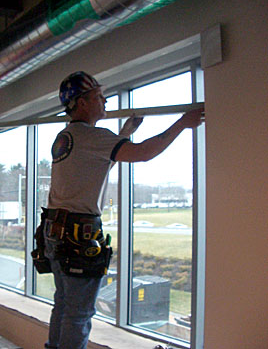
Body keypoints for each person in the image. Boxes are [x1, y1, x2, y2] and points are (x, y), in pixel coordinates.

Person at [42, 71, 204, 349]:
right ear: (81, 103)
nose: (104, 101)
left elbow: (97, 165)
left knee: (64, 304)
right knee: (78, 313)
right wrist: (182, 123)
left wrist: (124, 134)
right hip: (76, 235)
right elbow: (142, 153)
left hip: (55, 230)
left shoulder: (65, 137)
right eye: (98, 97)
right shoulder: (93, 136)